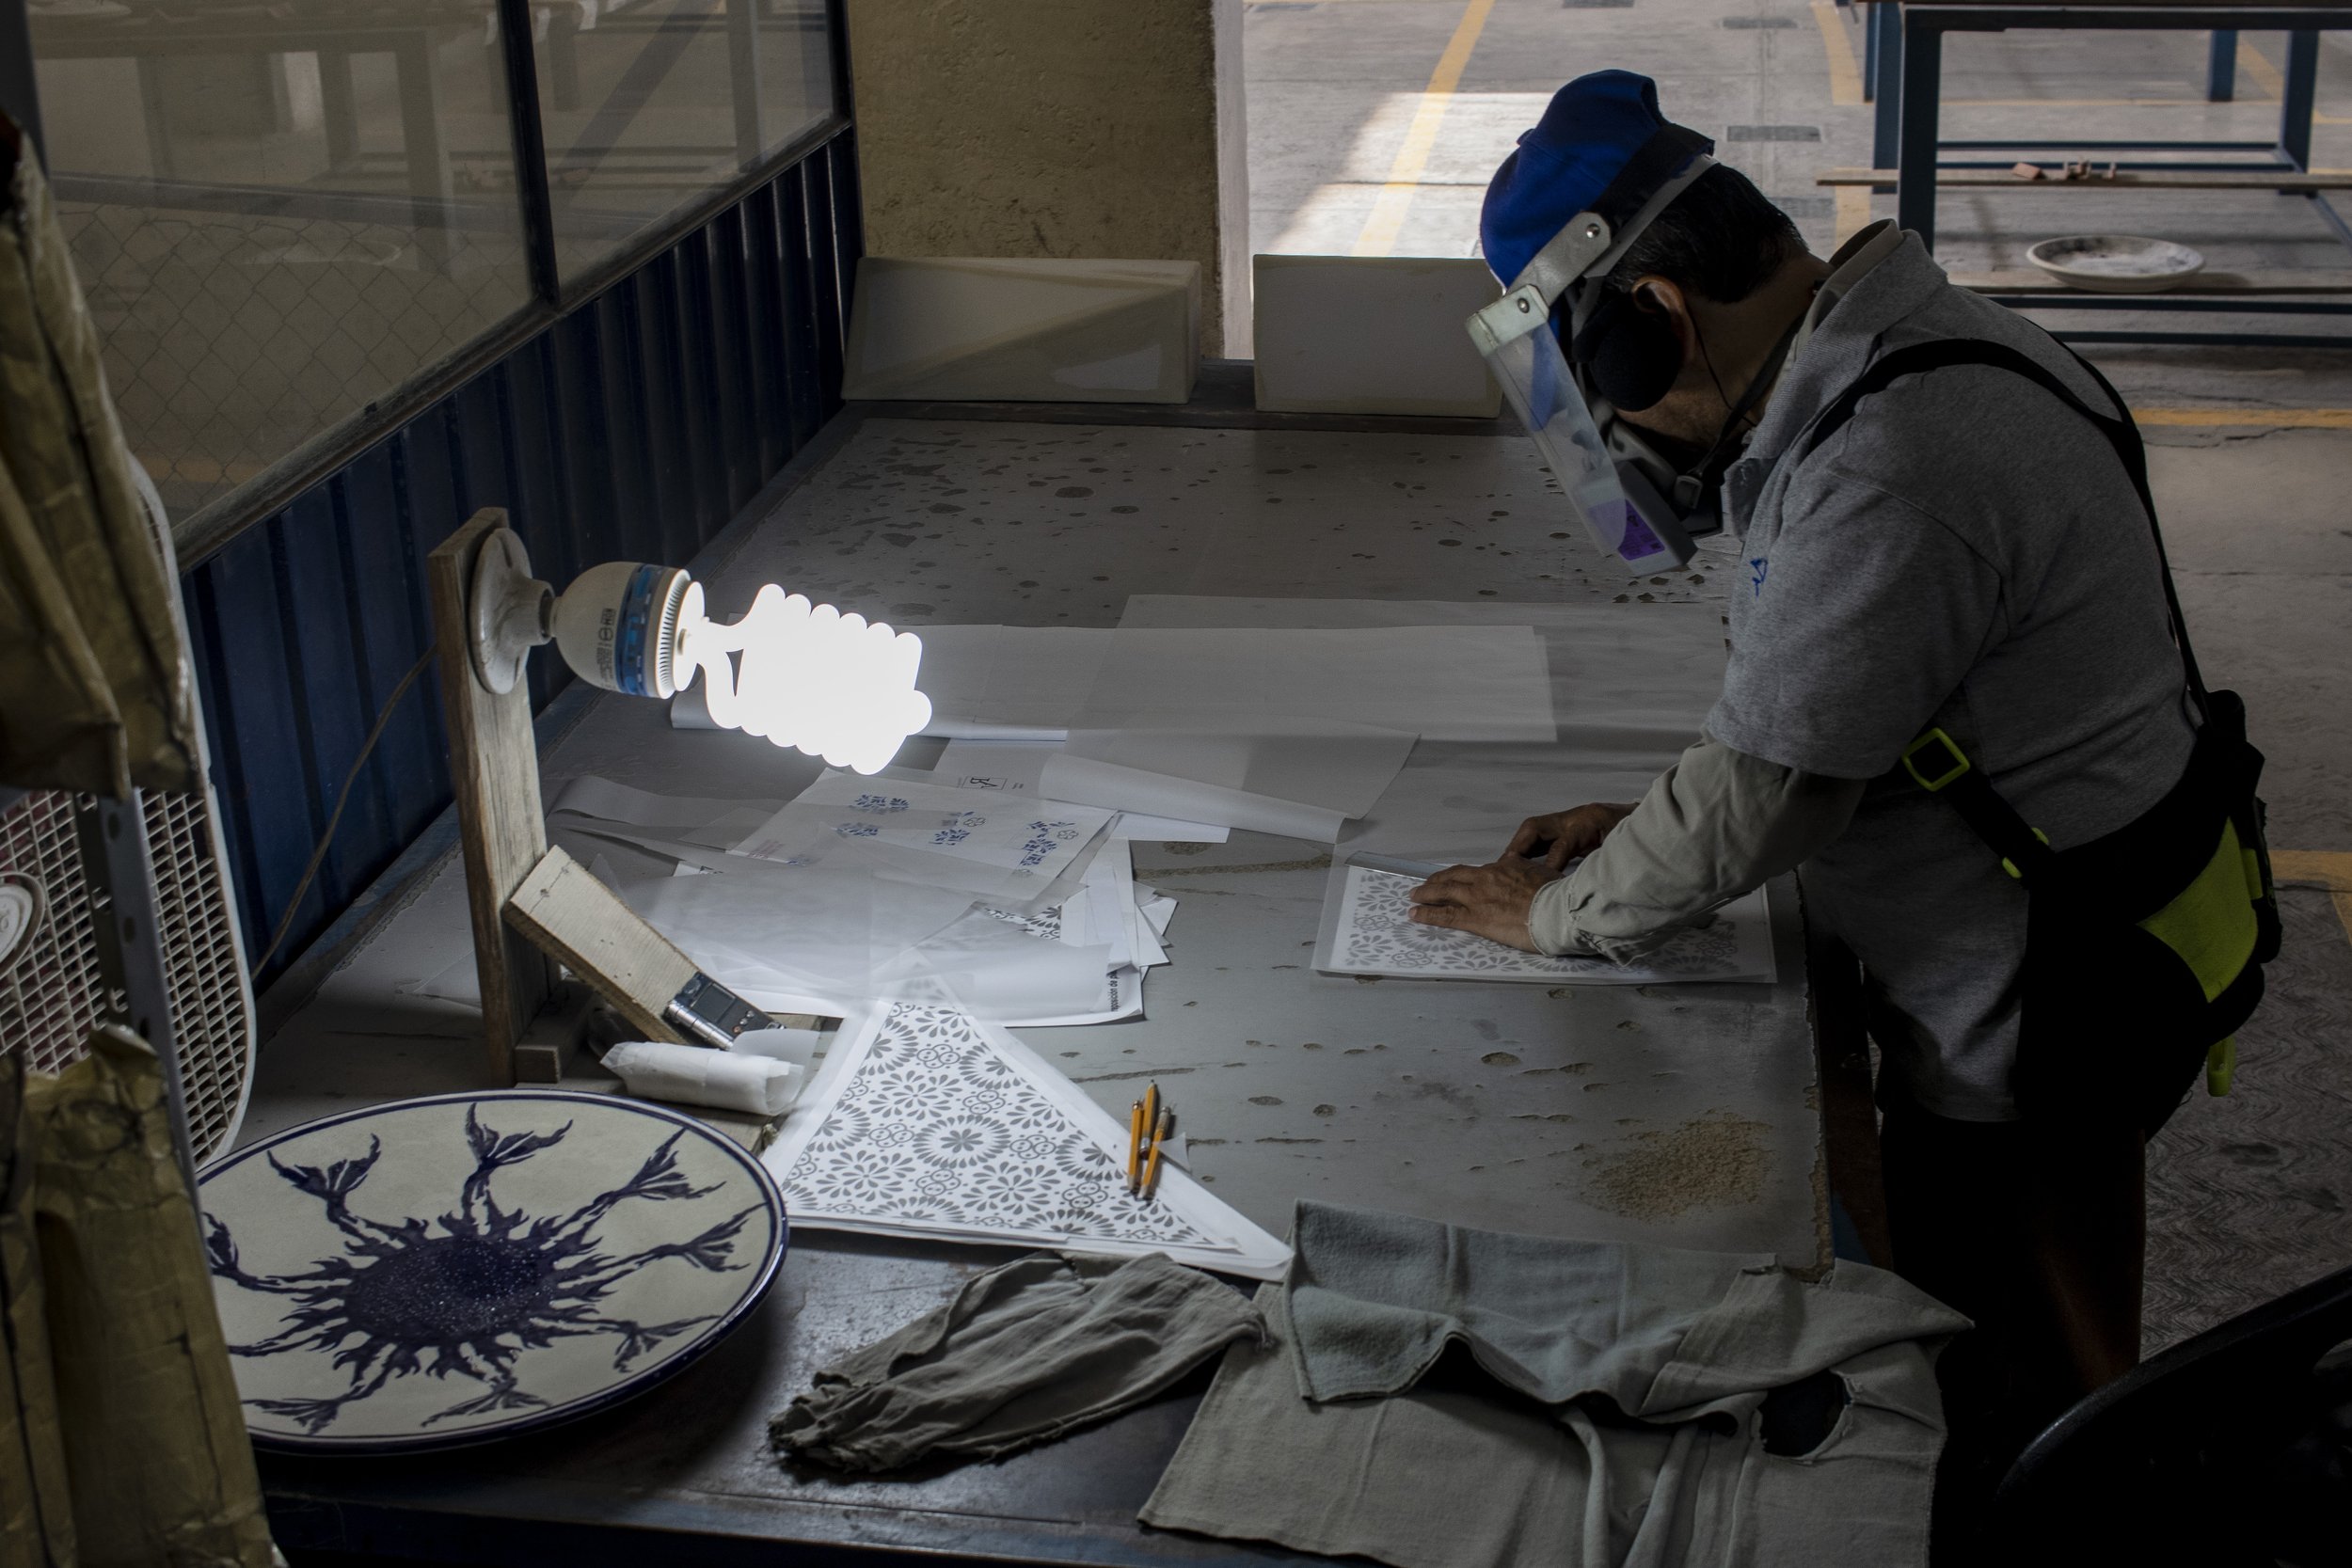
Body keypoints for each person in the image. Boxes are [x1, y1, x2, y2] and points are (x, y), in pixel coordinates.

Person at [1405, 70, 2255, 1492]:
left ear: (1651, 322)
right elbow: (1841, 707)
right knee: (2027, 1321)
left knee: (2021, 1374)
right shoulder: (1917, 353)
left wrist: (1554, 914)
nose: (1632, 444)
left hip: (2041, 1004)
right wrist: (1642, 831)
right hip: (2083, 915)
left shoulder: (1892, 461)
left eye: (1604, 392)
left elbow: (1775, 790)